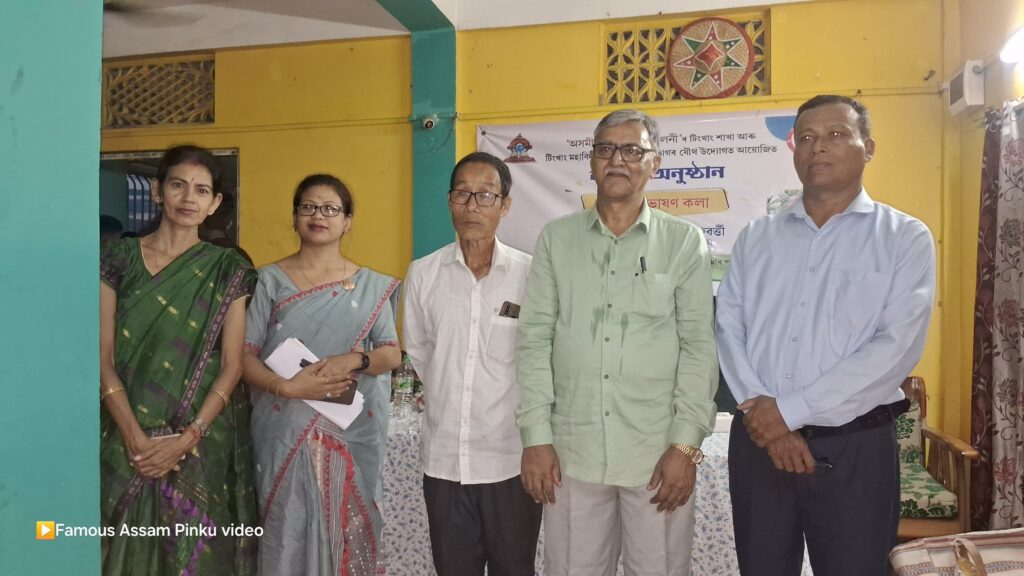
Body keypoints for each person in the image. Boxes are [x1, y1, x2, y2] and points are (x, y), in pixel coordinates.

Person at [715, 95, 936, 576]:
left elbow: (895, 348)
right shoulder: (757, 238)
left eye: (836, 135)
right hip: (758, 443)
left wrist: (789, 412)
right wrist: (766, 417)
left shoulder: (904, 237)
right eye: (806, 138)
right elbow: (728, 328)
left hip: (855, 448)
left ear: (868, 147)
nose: (818, 147)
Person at [516, 109, 718, 575]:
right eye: (606, 149)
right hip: (572, 453)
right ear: (591, 161)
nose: (617, 160)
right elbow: (534, 340)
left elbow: (698, 348)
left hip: (657, 455)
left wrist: (685, 446)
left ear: (655, 163)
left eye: (632, 150)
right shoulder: (557, 239)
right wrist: (536, 437)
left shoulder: (683, 242)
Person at [99, 144, 259, 575]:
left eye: (201, 190)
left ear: (215, 203)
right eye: (178, 185)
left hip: (199, 442)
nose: (189, 198)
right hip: (123, 434)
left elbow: (232, 365)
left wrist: (188, 438)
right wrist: (135, 439)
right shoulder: (117, 259)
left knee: (196, 556)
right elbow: (103, 358)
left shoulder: (228, 269)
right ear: (157, 191)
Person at [241, 173, 402, 575]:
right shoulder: (268, 280)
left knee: (346, 529)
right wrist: (287, 387)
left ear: (347, 221)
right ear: (295, 217)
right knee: (286, 528)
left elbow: (390, 353)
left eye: (330, 208)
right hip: (283, 427)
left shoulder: (368, 285)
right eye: (308, 207)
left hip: (347, 432)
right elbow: (244, 356)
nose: (319, 215)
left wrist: (354, 360)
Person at [403, 152, 542, 576]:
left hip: (510, 461)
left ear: (505, 205)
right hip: (445, 461)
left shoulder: (531, 276)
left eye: (485, 196)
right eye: (462, 194)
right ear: (449, 201)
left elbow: (541, 360)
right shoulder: (423, 274)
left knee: (514, 569)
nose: (472, 206)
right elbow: (420, 351)